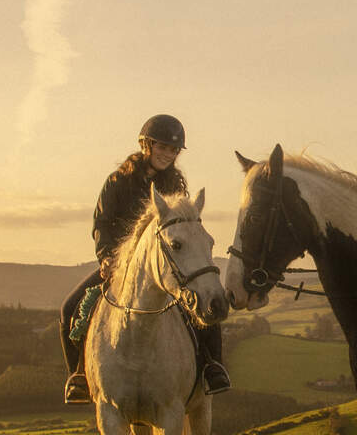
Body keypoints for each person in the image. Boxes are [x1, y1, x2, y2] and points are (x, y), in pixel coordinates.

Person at [60, 114, 232, 404]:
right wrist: (105, 257)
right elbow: (102, 222)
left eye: (173, 150)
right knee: (69, 310)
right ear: (146, 145)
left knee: (204, 303)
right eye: (162, 147)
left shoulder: (174, 185)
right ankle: (79, 376)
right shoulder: (117, 182)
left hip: (162, 267)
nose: (167, 154)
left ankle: (211, 366)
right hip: (119, 264)